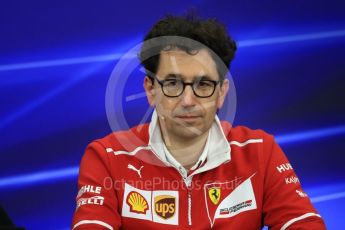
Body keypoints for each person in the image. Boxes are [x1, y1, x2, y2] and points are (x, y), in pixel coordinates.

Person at [71, 13, 326, 229]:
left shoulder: (260, 150)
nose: (188, 100)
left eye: (203, 84)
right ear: (150, 90)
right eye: (173, 83)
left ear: (222, 93)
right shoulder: (107, 156)